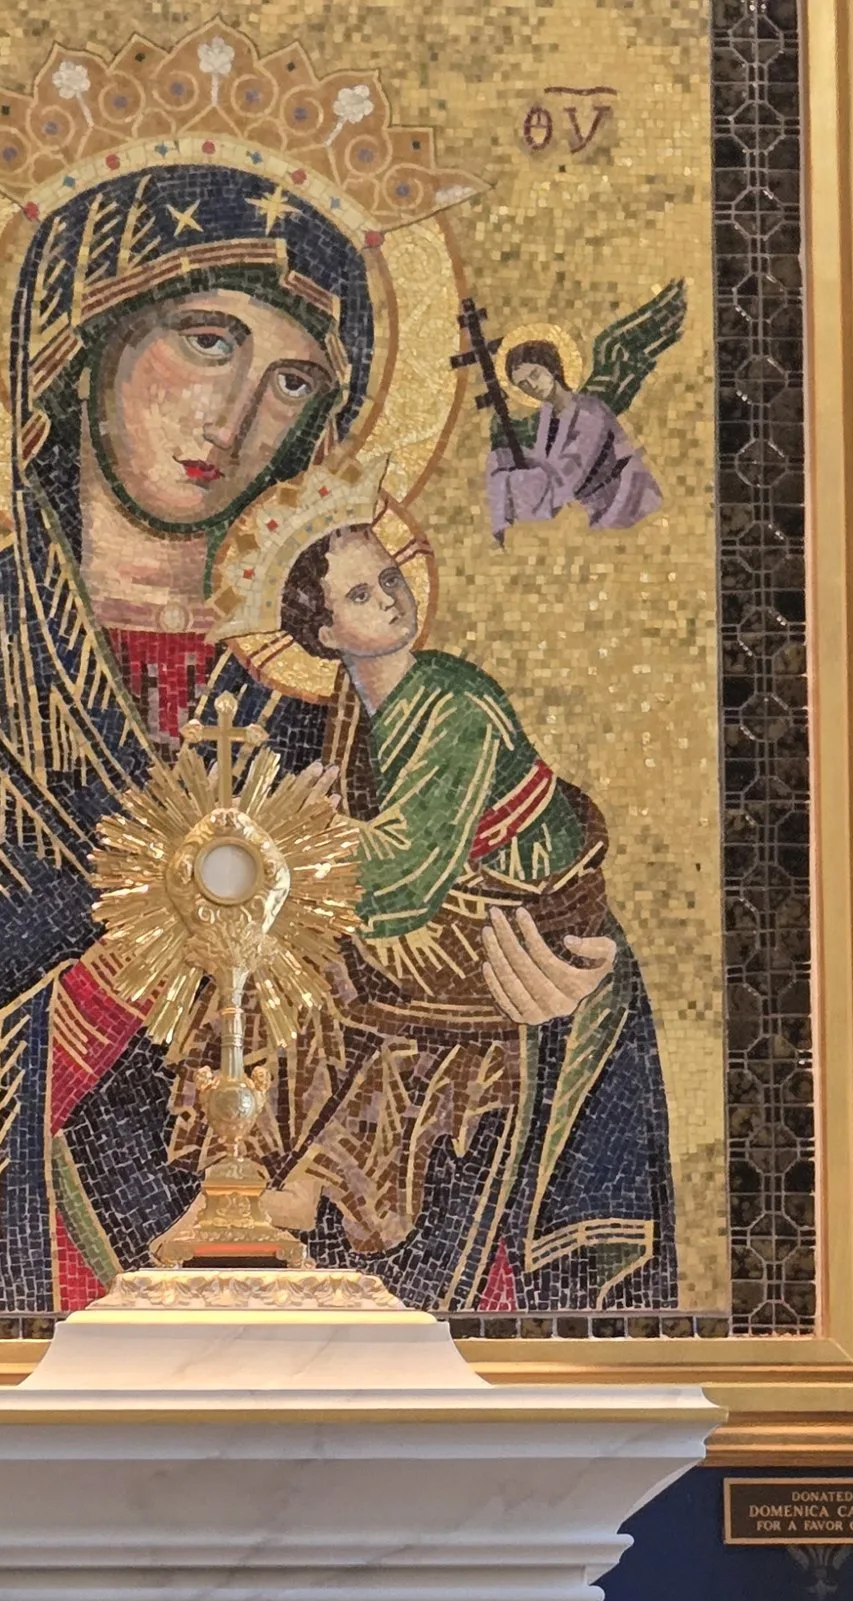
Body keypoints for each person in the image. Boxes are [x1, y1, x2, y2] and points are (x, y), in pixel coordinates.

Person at [0, 159, 669, 1314]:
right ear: (72, 348)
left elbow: (538, 931)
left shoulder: (372, 688)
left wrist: (555, 1001)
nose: (232, 419)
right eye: (206, 340)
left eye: (289, 382)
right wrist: (107, 989)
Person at [252, 520, 675, 1304]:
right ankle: (284, 1165)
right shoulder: (358, 703)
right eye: (359, 593)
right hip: (461, 909)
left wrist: (305, 845)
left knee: (335, 968)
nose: (388, 597)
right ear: (324, 631)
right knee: (308, 969)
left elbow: (410, 870)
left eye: (387, 577)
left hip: (525, 914)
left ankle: (312, 1173)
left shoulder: (452, 701)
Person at [485, 335, 663, 538]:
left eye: (535, 375)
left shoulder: (589, 412)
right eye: (523, 384)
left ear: (551, 368)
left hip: (628, 508)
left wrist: (513, 483)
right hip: (598, 513)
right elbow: (547, 461)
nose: (532, 386)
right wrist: (507, 457)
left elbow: (568, 474)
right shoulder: (547, 416)